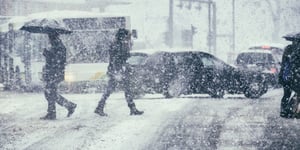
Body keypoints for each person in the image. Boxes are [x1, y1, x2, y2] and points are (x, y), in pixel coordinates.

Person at [94, 28, 144, 116]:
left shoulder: (118, 44)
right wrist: (118, 71)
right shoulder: (117, 45)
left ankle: (100, 107)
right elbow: (116, 59)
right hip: (117, 71)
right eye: (126, 36)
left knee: (116, 89)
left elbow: (119, 57)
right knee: (119, 89)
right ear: (122, 36)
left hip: (117, 70)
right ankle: (132, 108)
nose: (128, 38)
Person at [40, 32, 77, 120]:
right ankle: (68, 106)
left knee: (50, 92)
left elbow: (58, 61)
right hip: (53, 73)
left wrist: (47, 54)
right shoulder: (55, 46)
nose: (49, 39)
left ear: (53, 37)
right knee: (50, 92)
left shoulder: (59, 47)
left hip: (55, 73)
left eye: (50, 37)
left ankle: (53, 113)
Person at [279, 36, 300, 118]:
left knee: (287, 94)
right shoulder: (295, 50)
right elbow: (291, 63)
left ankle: (286, 111)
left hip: (288, 75)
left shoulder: (288, 48)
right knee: (295, 93)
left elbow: (284, 63)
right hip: (293, 75)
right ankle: (291, 111)